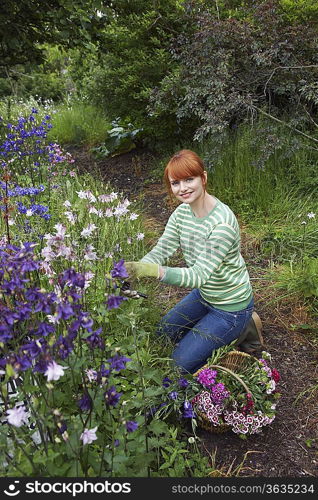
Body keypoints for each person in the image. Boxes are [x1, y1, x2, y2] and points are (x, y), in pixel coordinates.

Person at [125, 149, 263, 374]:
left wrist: (151, 270)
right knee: (162, 336)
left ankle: (242, 326)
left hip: (229, 307)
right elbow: (163, 249)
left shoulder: (222, 225)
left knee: (178, 366)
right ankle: (241, 326)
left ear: (204, 178)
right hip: (205, 294)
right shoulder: (181, 214)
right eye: (175, 182)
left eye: (189, 179)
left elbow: (197, 275)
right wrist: (137, 269)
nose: (183, 188)